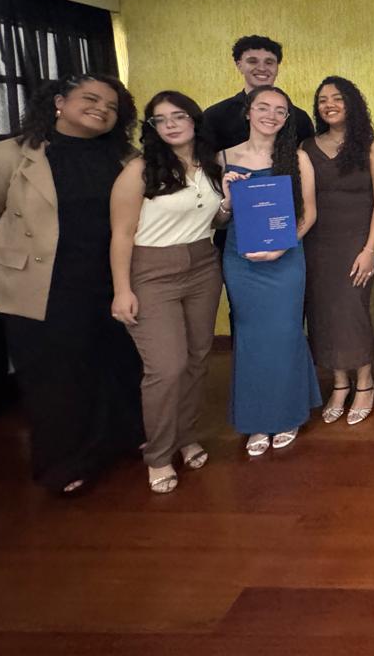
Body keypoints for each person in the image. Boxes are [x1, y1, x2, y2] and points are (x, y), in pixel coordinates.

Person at [0, 74, 143, 494]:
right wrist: (26, 250)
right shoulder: (5, 156)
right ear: (59, 101)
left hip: (110, 278)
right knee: (56, 376)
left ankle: (121, 440)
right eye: (90, 99)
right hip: (42, 284)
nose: (101, 109)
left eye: (112, 107)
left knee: (115, 364)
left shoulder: (125, 158)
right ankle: (65, 463)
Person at [110, 91, 225, 493]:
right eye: (160, 119)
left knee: (196, 359)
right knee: (166, 367)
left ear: (194, 120)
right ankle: (158, 454)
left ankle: (185, 435)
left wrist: (229, 207)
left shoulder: (212, 164)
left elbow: (214, 218)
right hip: (151, 271)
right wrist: (122, 289)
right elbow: (121, 234)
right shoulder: (139, 170)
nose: (171, 124)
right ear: (152, 128)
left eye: (178, 116)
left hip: (203, 266)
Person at [220, 85, 320, 457]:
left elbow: (309, 213)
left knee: (285, 333)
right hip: (240, 259)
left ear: (287, 118)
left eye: (280, 110)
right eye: (264, 107)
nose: (271, 115)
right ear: (248, 111)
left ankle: (289, 414)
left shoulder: (297, 158)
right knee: (250, 337)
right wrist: (227, 201)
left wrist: (283, 244)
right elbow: (216, 219)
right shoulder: (223, 157)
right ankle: (256, 419)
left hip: (286, 258)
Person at [303, 77, 374, 426]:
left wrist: (370, 249)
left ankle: (365, 382)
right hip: (317, 244)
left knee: (352, 309)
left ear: (351, 102)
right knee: (324, 311)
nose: (329, 105)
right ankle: (340, 384)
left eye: (337, 98)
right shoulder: (306, 147)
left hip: (359, 242)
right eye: (322, 100)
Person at [203, 35, 314, 150]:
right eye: (252, 61)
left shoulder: (300, 118)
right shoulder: (215, 116)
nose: (262, 68)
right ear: (239, 65)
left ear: (277, 67)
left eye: (269, 62)